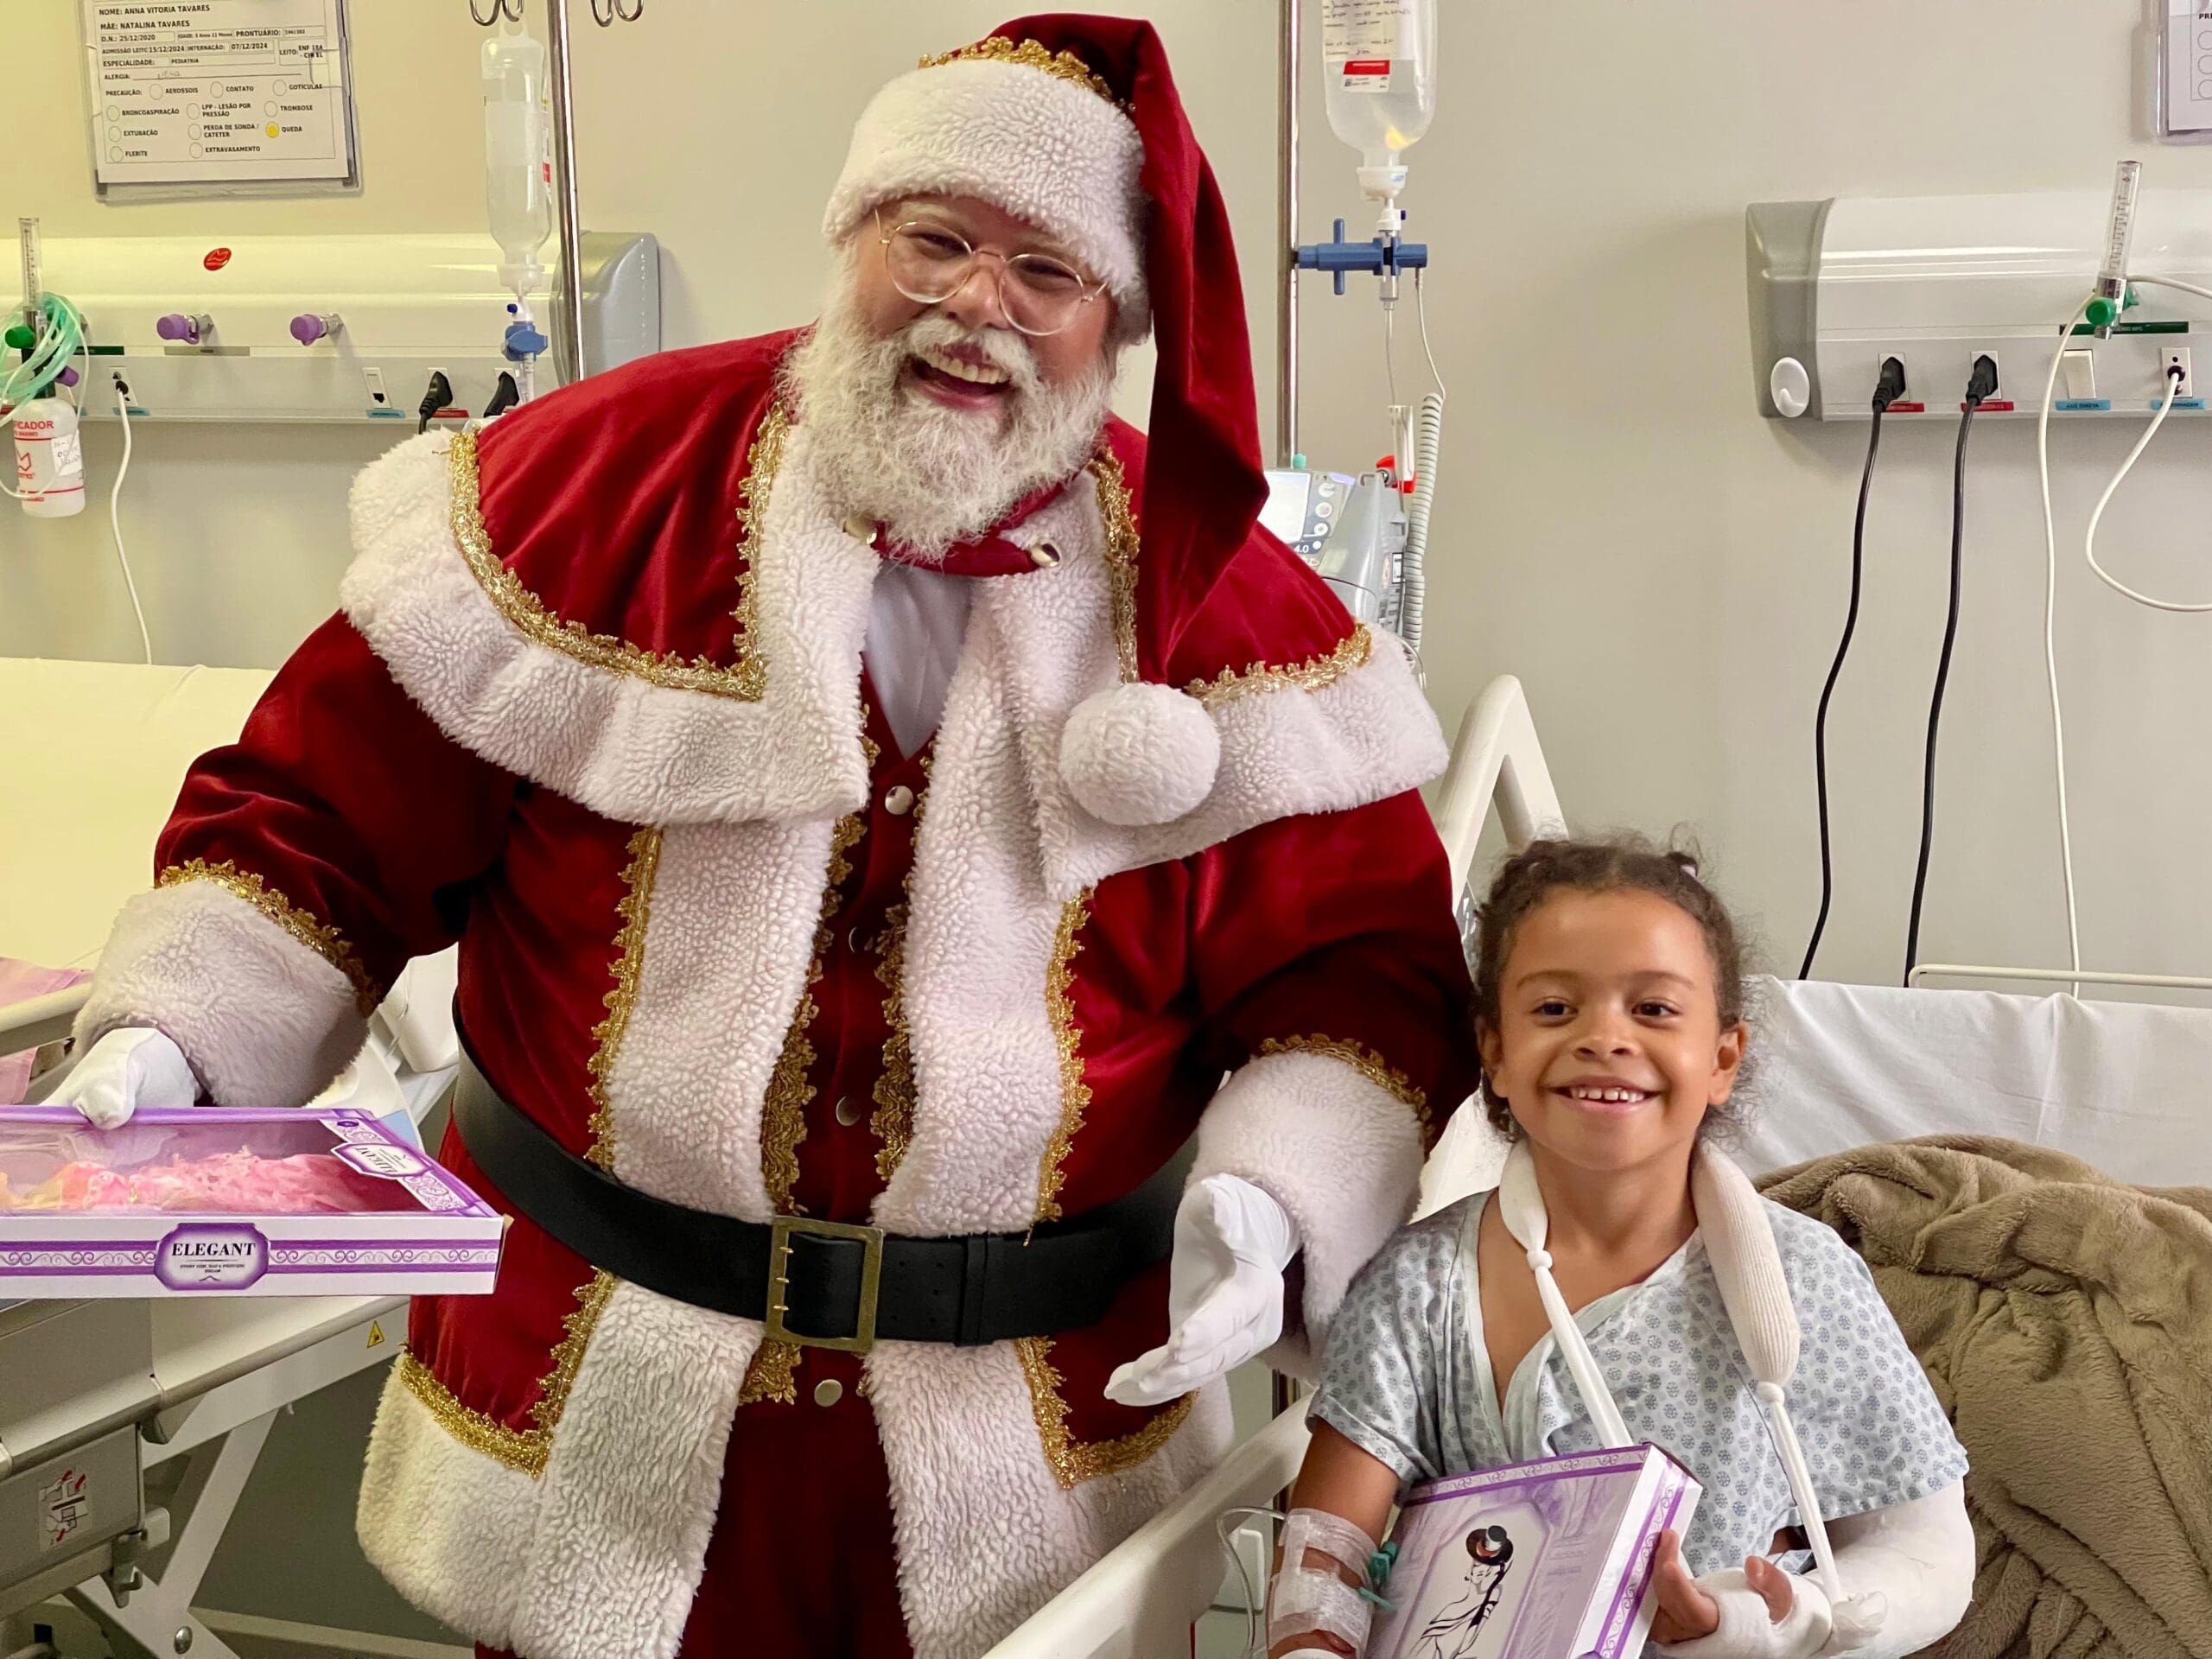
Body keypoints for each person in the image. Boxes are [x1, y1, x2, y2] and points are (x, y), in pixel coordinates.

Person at [49, 16, 1477, 1659]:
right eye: (932, 240)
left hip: (1028, 1446)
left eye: (1044, 272)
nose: (975, 306)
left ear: (1117, 323)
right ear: (852, 239)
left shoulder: (1227, 607)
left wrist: (1279, 1195)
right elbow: (322, 818)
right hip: (593, 1409)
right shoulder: (586, 495)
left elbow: (1359, 978)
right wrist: (177, 1033)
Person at [1270, 838, 1975, 1659]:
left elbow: (1930, 1555)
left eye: (1654, 1009)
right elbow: (1325, 1562)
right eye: (1554, 1009)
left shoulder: (1802, 1281)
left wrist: (1767, 1623)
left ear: (1722, 1058)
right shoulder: (1418, 1290)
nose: (1604, 1037)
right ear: (1495, 1053)